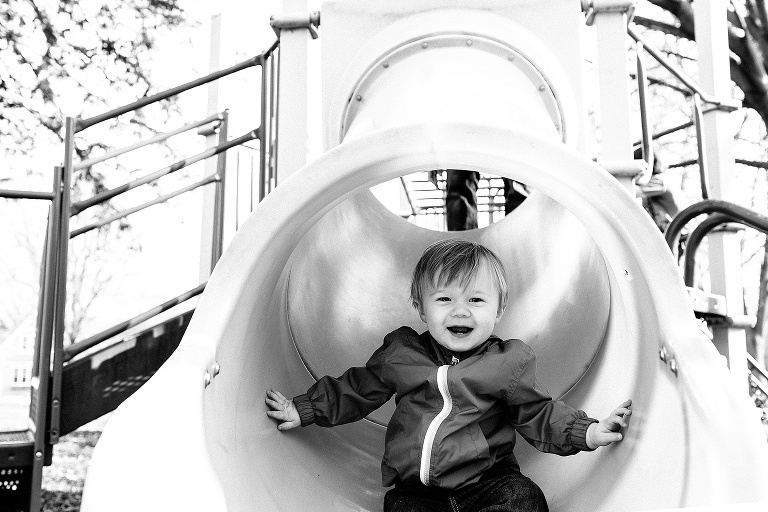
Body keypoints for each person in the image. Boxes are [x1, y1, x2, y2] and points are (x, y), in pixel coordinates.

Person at [266, 239, 632, 511]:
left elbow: (538, 413)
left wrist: (588, 431)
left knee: (524, 498)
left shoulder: (508, 361)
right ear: (421, 308)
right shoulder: (401, 354)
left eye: (476, 300)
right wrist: (306, 408)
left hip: (489, 482)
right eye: (444, 300)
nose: (460, 311)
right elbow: (357, 388)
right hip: (416, 492)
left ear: (499, 309)